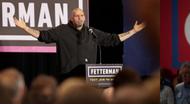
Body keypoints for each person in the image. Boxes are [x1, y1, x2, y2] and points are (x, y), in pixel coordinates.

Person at [14, 8, 145, 76]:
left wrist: (133, 31)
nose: (80, 18)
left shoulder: (92, 32)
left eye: (82, 15)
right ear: (72, 18)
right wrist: (25, 27)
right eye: (77, 16)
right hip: (67, 78)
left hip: (89, 79)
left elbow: (114, 39)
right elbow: (42, 35)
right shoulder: (62, 30)